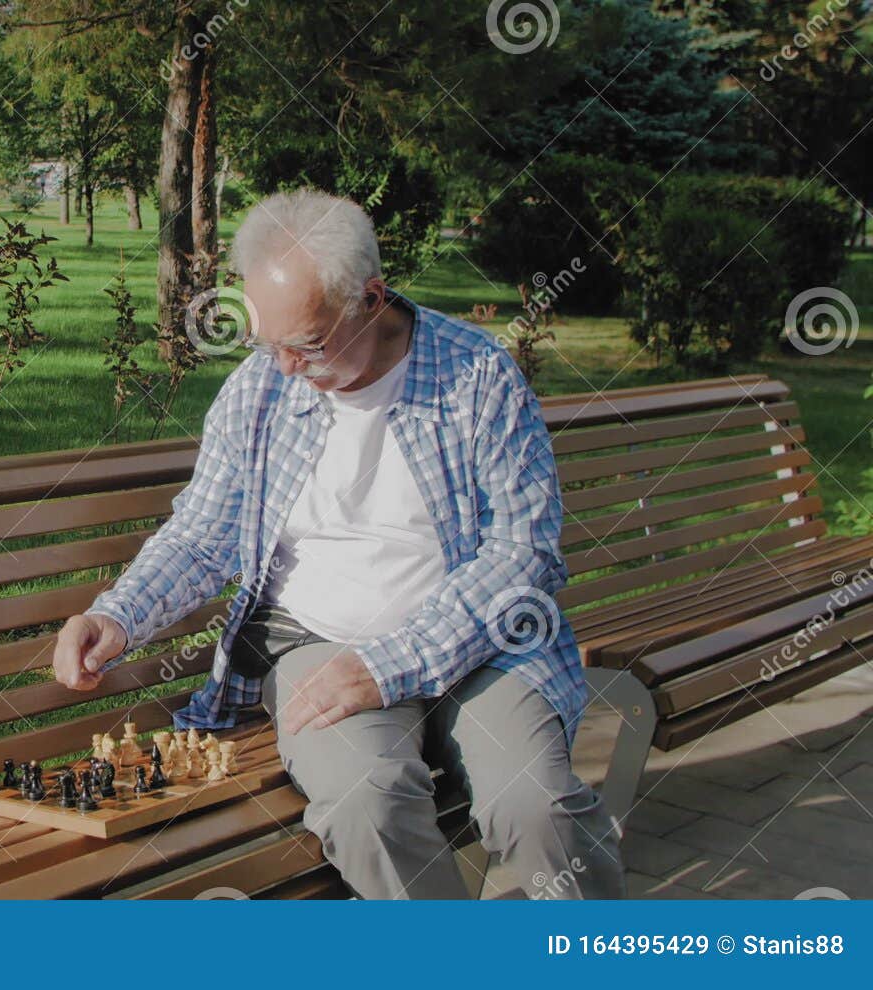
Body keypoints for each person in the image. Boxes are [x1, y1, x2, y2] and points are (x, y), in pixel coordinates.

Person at [52, 189, 624, 900]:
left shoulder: (476, 378)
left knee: (534, 804)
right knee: (367, 801)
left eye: (309, 344)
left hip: (484, 648)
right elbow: (204, 532)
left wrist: (392, 664)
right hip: (319, 644)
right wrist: (117, 615)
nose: (286, 367)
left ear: (372, 298)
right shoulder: (258, 390)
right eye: (270, 342)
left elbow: (523, 553)